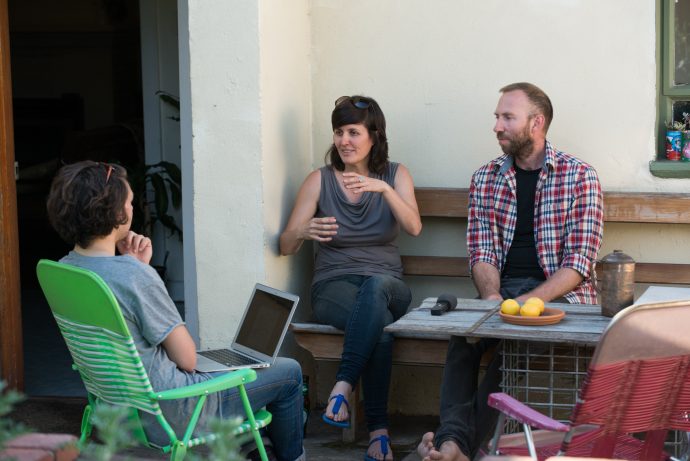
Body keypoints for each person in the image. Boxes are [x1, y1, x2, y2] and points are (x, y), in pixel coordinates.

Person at [46, 160, 305, 461]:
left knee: (241, 374)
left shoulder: (64, 270)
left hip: (118, 410)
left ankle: (258, 449)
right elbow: (187, 358)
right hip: (175, 411)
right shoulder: (133, 276)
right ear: (116, 213)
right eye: (129, 203)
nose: (132, 208)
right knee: (288, 373)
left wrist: (138, 268)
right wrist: (142, 273)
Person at [418, 82, 604, 461]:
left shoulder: (580, 176)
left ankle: (456, 445)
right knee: (463, 337)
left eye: (507, 117)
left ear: (536, 123)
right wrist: (490, 299)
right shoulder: (485, 178)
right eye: (497, 117)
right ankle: (455, 442)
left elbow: (579, 264)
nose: (497, 126)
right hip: (502, 291)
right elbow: (482, 250)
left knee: (515, 344)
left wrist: (527, 303)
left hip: (561, 298)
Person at [280, 95, 422, 461]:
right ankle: (379, 434)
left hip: (388, 284)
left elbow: (414, 227)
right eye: (339, 132)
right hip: (333, 287)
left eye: (353, 132)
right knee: (381, 326)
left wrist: (385, 190)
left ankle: (342, 385)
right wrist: (304, 231)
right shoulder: (320, 180)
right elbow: (285, 245)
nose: (344, 140)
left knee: (376, 292)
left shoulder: (395, 174)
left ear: (374, 136)